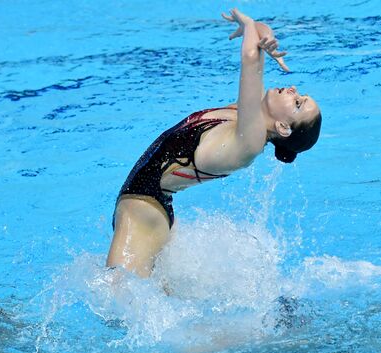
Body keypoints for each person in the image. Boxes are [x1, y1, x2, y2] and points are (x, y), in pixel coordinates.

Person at [106, 9, 322, 278]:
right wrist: (265, 35)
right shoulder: (245, 114)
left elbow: (250, 58)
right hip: (152, 207)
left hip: (142, 213)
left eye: (298, 103)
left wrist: (247, 24)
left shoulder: (251, 140)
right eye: (300, 94)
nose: (293, 90)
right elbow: (257, 46)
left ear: (283, 128)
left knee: (114, 305)